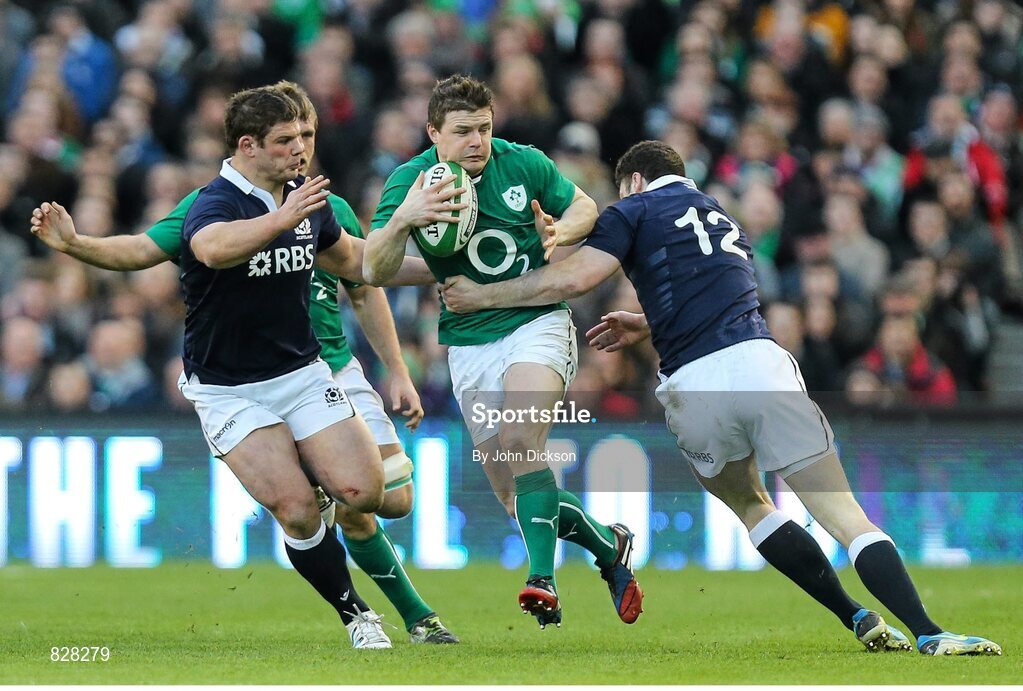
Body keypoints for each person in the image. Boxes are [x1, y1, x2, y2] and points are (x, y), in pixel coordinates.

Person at [440, 140, 1002, 657]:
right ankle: (929, 632)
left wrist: (482, 295)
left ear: (633, 181)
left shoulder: (630, 210)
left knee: (754, 507)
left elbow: (572, 280)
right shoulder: (720, 211)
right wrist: (648, 321)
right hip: (759, 364)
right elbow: (709, 290)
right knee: (844, 516)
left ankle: (854, 614)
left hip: (692, 386)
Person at [28, 82, 458, 646]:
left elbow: (356, 263)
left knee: (366, 493)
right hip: (229, 388)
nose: (300, 148)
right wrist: (76, 244)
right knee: (299, 512)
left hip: (303, 374)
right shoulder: (215, 202)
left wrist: (446, 264)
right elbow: (211, 248)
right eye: (285, 140)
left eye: (305, 136)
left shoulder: (306, 197)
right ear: (248, 146)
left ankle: (311, 475)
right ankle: (356, 614)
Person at [364, 74, 642, 630]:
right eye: (463, 131)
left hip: (536, 324)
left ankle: (542, 579)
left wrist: (560, 232)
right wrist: (403, 220)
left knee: (521, 436)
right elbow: (373, 268)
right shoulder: (410, 182)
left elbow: (587, 207)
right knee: (516, 499)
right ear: (434, 134)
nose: (477, 142)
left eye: (484, 129)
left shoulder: (523, 163)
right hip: (468, 342)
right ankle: (608, 546)